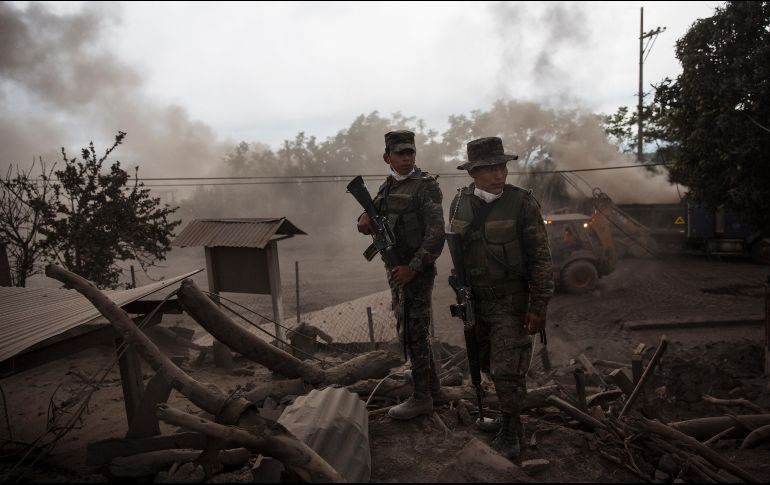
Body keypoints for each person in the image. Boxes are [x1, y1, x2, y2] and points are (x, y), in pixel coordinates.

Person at [448, 136, 553, 461]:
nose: (498, 174)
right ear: (473, 173)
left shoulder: (522, 203)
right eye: (489, 169)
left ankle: (513, 434)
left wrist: (539, 306)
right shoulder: (459, 203)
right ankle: (507, 421)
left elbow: (541, 259)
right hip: (477, 302)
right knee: (486, 364)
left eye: (501, 167)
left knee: (509, 370)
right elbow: (457, 252)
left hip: (511, 302)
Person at [356, 130, 445, 420]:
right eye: (400, 153)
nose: (407, 158)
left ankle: (422, 398)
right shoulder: (388, 186)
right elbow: (372, 215)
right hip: (396, 268)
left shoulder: (425, 187)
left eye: (411, 152)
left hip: (415, 270)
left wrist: (413, 268)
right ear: (387, 157)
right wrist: (363, 221)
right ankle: (434, 391)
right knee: (409, 327)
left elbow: (435, 235)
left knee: (414, 331)